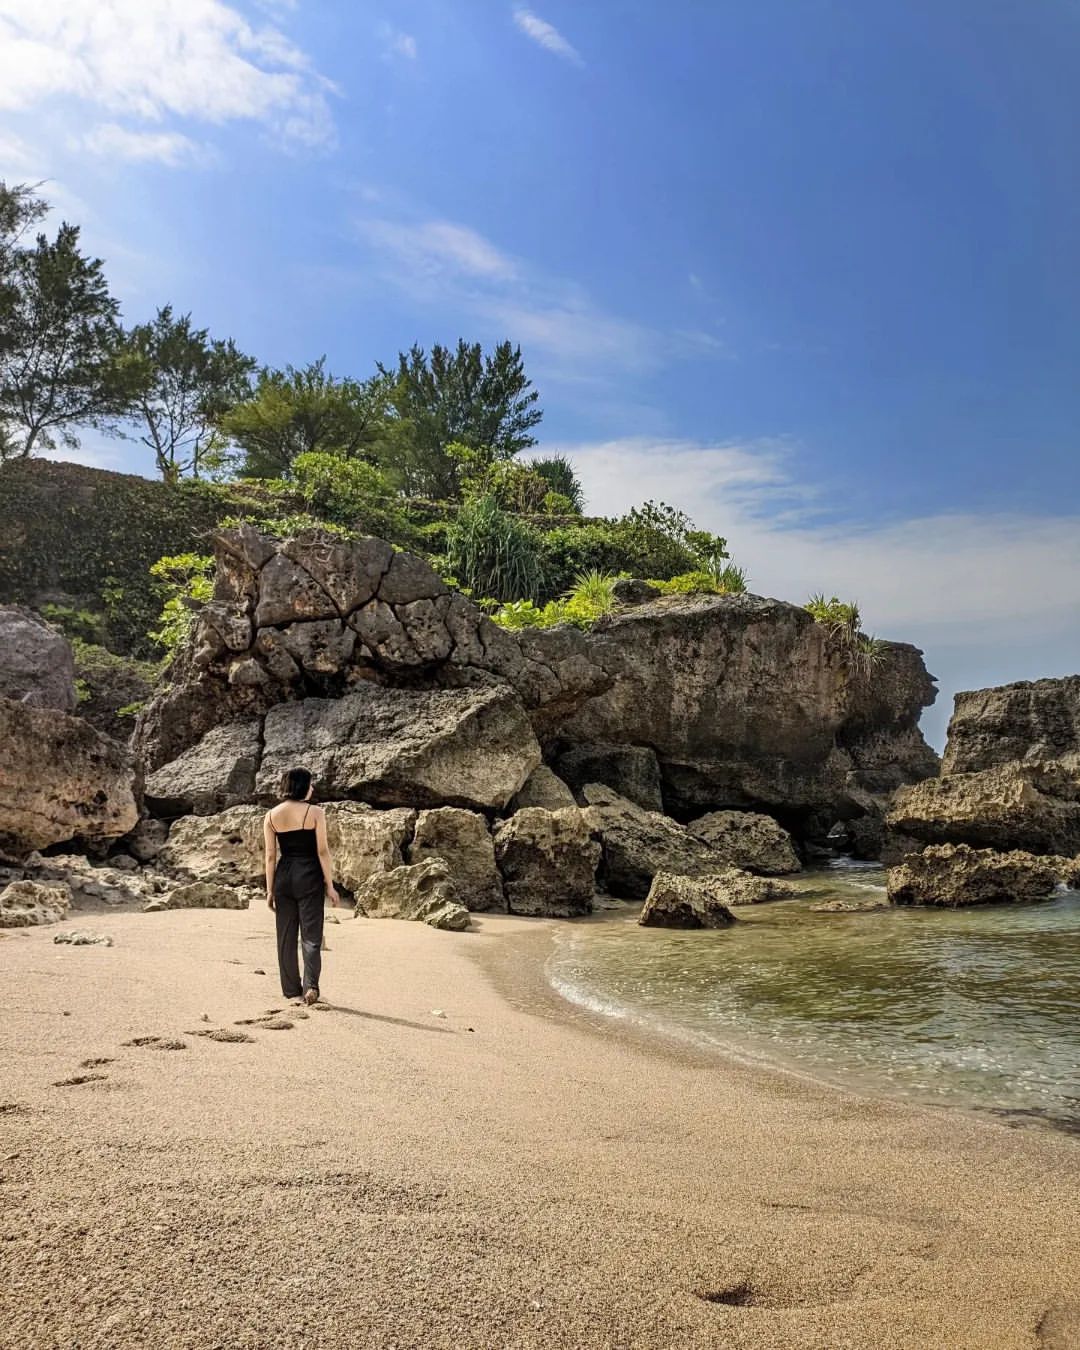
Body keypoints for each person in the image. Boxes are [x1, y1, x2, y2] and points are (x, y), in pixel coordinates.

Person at [263, 768, 339, 1005]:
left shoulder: (271, 815)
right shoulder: (315, 812)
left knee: (285, 936)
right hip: (309, 875)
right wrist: (330, 884)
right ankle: (311, 986)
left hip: (284, 876)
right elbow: (323, 851)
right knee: (311, 934)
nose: (313, 788)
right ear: (302, 786)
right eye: (310, 784)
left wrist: (269, 889)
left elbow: (269, 855)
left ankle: (290, 990)